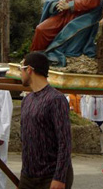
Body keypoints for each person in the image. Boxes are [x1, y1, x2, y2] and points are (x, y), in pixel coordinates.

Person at [18, 52, 73, 189]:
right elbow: (26, 142)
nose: (20, 73)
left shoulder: (56, 99)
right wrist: (23, 178)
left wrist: (59, 177)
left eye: (21, 69)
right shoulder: (27, 100)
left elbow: (64, 141)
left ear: (29, 70)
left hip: (51, 176)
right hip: (29, 176)